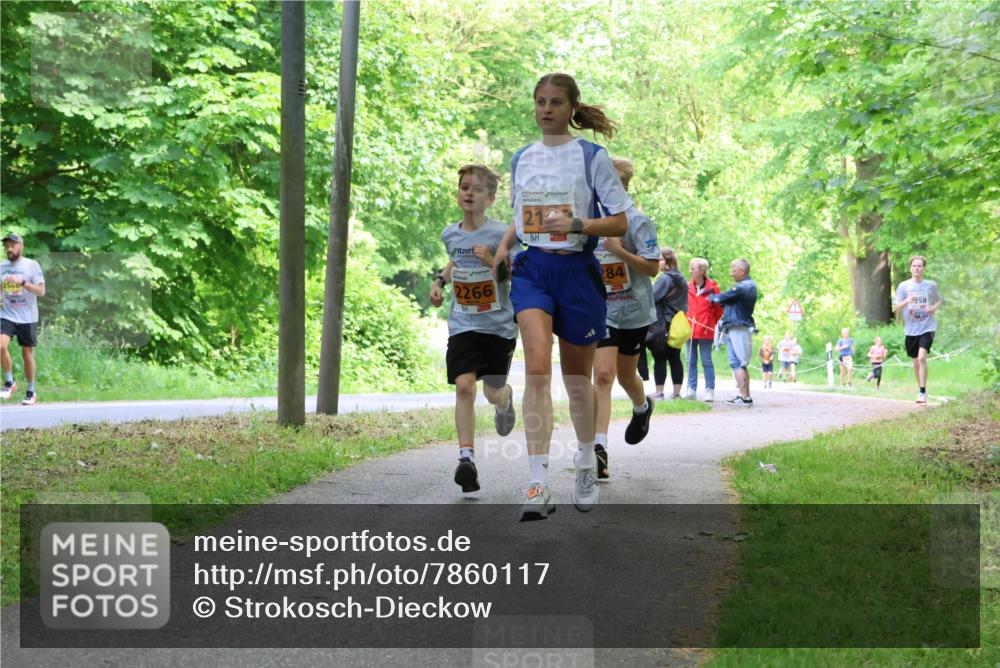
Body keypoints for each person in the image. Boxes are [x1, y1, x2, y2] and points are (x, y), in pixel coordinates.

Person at [494, 73, 632, 520]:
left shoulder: (592, 157)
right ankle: (537, 481)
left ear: (573, 106)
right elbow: (522, 215)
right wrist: (505, 247)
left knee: (577, 382)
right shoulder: (522, 158)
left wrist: (578, 226)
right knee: (536, 366)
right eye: (540, 101)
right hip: (535, 270)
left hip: (577, 271)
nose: (546, 109)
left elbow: (620, 224)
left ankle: (587, 459)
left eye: (555, 102)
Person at [429, 165, 518, 494]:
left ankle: (505, 401)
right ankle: (466, 459)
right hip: (463, 323)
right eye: (464, 187)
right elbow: (456, 259)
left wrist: (490, 260)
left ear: (491, 198)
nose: (469, 193)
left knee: (491, 392)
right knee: (464, 386)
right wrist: (439, 282)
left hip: (498, 326)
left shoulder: (502, 233)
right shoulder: (450, 233)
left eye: (477, 189)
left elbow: (513, 275)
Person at [591, 157, 660, 480]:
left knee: (625, 375)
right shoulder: (591, 223)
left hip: (633, 310)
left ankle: (642, 406)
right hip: (601, 310)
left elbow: (652, 268)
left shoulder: (637, 221)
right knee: (603, 375)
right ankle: (599, 449)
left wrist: (619, 252)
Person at [1, 233, 45, 405]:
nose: (9, 249)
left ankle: (31, 390)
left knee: (27, 354)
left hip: (28, 317)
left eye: (13, 245)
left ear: (21, 246)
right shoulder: (2, 267)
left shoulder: (31, 265)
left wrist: (22, 283)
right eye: (7, 246)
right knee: (0, 345)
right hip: (7, 314)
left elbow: (41, 291)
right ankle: (9, 382)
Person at [708, 259, 757, 407]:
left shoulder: (744, 286)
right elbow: (728, 301)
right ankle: (745, 396)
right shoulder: (747, 286)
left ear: (742, 271)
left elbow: (722, 297)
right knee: (741, 362)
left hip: (737, 327)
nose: (731, 273)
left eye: (734, 270)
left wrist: (709, 297)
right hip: (738, 326)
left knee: (737, 362)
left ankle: (744, 397)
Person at [893, 255, 941, 404]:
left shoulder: (931, 285)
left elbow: (940, 299)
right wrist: (908, 300)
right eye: (914, 266)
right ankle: (922, 390)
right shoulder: (904, 286)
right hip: (911, 329)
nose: (917, 268)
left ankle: (921, 391)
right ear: (910, 268)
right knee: (915, 362)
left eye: (920, 266)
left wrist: (933, 308)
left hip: (928, 326)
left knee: (922, 358)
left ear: (924, 268)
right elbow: (897, 309)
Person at [640, 248, 687, 400]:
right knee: (675, 358)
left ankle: (659, 393)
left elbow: (651, 298)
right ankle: (677, 393)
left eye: (660, 259)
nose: (657, 262)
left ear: (668, 261)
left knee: (660, 357)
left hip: (663, 324)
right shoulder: (681, 278)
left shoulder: (665, 279)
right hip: (678, 324)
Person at [684, 257, 723, 401]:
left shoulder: (712, 288)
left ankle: (709, 390)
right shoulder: (687, 287)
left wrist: (710, 322)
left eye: (693, 268)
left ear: (702, 271)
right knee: (690, 361)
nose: (690, 271)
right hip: (690, 329)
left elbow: (719, 309)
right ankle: (691, 389)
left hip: (705, 330)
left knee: (706, 360)